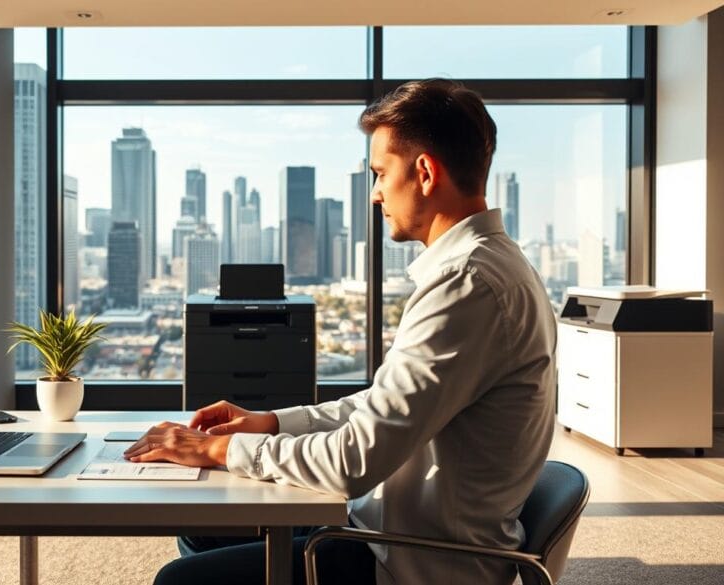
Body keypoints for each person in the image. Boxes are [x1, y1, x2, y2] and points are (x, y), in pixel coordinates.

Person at [124, 78, 557, 585]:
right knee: (207, 528)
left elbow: (356, 459)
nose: (375, 194)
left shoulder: (468, 284)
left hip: (413, 559)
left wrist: (219, 450)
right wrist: (269, 423)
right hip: (385, 524)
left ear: (423, 172)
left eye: (379, 174)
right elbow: (380, 407)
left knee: (180, 582)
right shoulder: (485, 267)